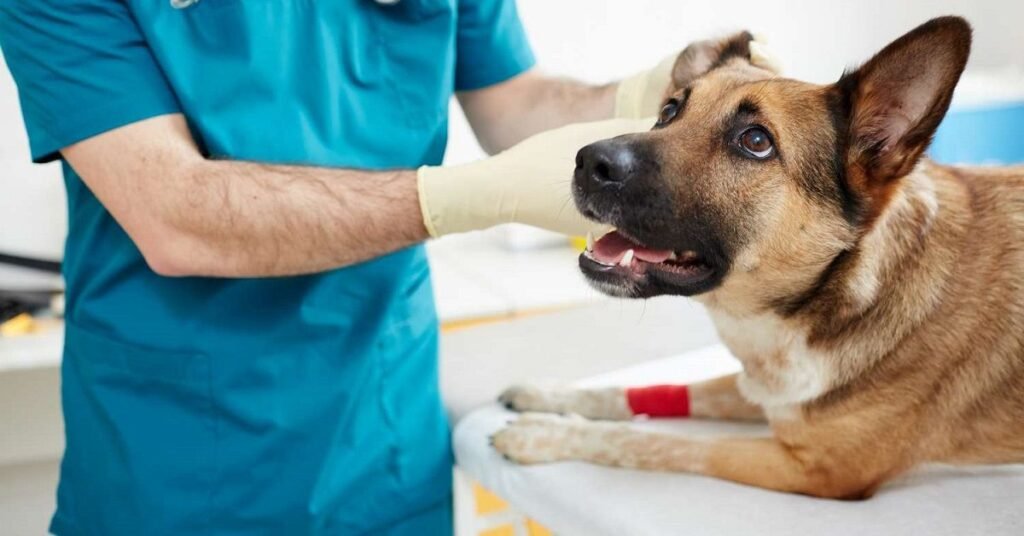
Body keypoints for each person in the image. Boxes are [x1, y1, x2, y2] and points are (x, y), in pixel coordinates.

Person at [0, 1, 679, 534]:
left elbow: (515, 105)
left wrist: (652, 97)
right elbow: (176, 216)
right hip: (177, 465)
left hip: (385, 445)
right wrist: (457, 197)